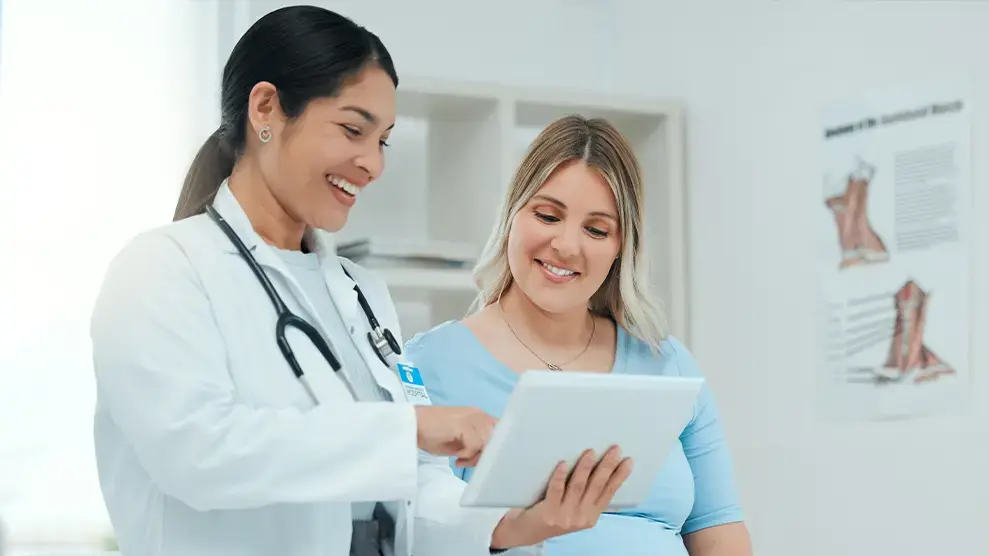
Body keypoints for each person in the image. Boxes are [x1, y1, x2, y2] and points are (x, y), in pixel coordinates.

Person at [88, 7, 632, 556]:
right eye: (353, 130)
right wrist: (409, 428)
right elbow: (197, 454)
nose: (373, 164)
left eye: (383, 141)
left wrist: (510, 524)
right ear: (266, 108)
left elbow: (410, 481)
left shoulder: (363, 294)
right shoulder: (163, 270)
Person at [403, 115, 754, 556]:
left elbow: (720, 533)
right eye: (548, 216)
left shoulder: (667, 362)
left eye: (596, 229)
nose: (567, 246)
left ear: (621, 246)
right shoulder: (427, 364)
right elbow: (408, 531)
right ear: (512, 215)